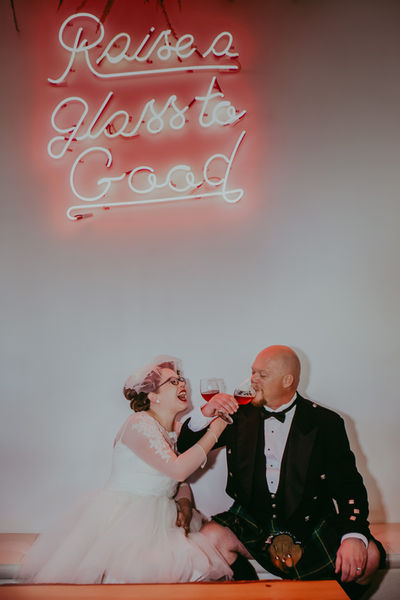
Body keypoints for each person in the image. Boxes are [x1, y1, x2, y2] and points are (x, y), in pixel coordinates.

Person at [177, 345, 386, 599]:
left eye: (262, 375)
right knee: (207, 542)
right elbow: (186, 447)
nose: (253, 380)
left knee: (369, 557)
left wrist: (353, 535)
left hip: (309, 521)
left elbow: (348, 485)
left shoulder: (325, 423)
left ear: (287, 380)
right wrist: (205, 413)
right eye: (253, 372)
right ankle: (251, 594)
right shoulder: (238, 415)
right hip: (253, 520)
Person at [18, 357, 233, 583]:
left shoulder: (176, 429)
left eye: (181, 380)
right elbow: (178, 470)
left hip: (163, 520)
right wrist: (215, 431)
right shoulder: (138, 423)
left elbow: (178, 481)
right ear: (153, 396)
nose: (182, 384)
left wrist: (185, 504)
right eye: (173, 382)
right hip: (128, 521)